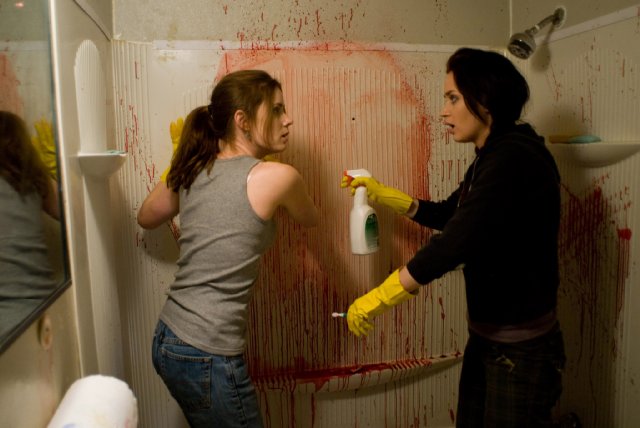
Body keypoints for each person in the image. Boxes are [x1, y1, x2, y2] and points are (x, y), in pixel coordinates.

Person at [342, 48, 564, 427]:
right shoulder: (491, 154)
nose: (443, 111)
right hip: (488, 337)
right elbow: (451, 214)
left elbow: (454, 242)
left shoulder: (513, 158)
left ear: (485, 100)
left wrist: (378, 298)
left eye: (453, 98)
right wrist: (385, 194)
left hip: (520, 350)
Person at [137, 69, 319, 428]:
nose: (288, 119)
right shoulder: (279, 177)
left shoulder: (195, 167)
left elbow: (146, 216)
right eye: (277, 109)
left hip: (169, 337)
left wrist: (179, 164)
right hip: (207, 350)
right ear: (242, 121)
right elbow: (310, 218)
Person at [0, 111, 60, 340]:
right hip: (48, 308)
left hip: (6, 320)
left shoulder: (33, 179)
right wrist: (48, 170)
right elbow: (71, 213)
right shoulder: (33, 181)